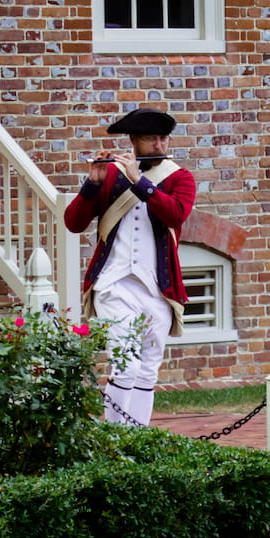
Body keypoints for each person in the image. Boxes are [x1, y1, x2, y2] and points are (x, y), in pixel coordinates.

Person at [63, 108, 195, 426]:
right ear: (134, 140)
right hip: (113, 282)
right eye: (151, 138)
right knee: (126, 364)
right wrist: (92, 184)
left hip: (158, 287)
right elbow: (73, 222)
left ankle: (138, 436)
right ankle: (114, 434)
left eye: (163, 138)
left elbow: (176, 215)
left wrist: (140, 182)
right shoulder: (110, 175)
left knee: (149, 366)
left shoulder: (181, 178)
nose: (160, 145)